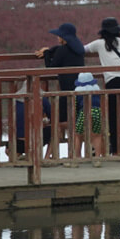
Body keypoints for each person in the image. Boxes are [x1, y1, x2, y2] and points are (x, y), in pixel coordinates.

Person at [84, 17, 120, 155]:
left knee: (113, 117)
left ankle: (116, 149)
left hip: (112, 83)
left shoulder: (99, 44)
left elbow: (82, 49)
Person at [34, 22, 85, 153]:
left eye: (59, 36)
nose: (57, 37)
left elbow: (51, 68)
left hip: (66, 92)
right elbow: (59, 50)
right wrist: (50, 50)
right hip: (80, 91)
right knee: (76, 123)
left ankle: (50, 156)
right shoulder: (79, 50)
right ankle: (76, 154)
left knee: (57, 124)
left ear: (64, 37)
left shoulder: (62, 50)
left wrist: (46, 54)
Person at [73, 72, 104, 166]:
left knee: (78, 134)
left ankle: (77, 157)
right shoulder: (97, 90)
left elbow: (75, 106)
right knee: (97, 135)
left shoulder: (77, 91)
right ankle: (97, 158)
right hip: (97, 112)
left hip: (83, 112)